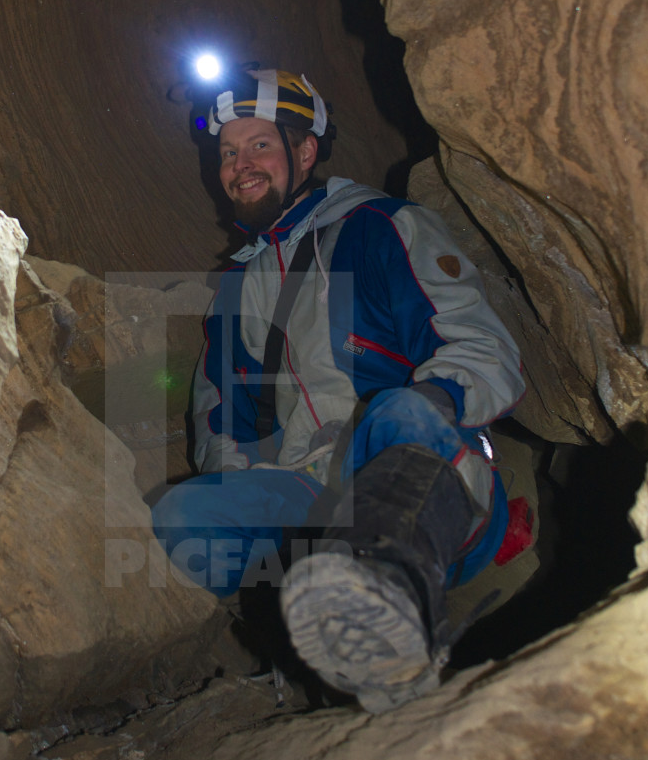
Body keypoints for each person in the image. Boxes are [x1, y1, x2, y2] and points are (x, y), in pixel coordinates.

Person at [151, 66, 525, 712]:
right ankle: (276, 652)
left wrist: (437, 403)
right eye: (228, 153)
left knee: (399, 409)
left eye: (260, 145)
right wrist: (243, 494)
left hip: (414, 470)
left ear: (303, 152)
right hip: (305, 488)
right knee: (182, 518)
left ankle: (388, 605)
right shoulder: (237, 291)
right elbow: (225, 423)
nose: (241, 164)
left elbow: (484, 348)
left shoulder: (382, 229)